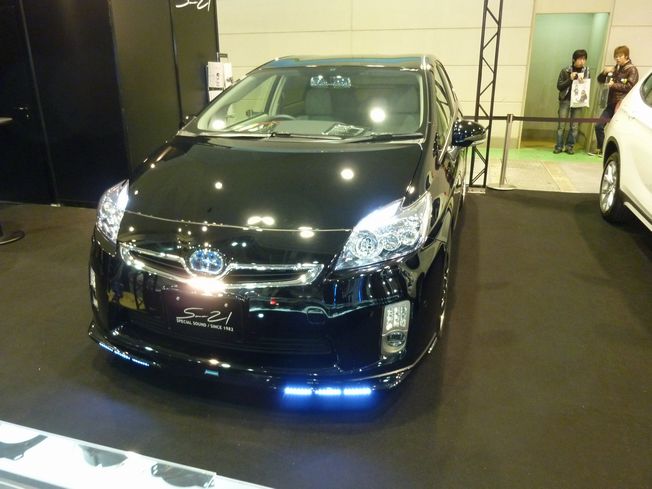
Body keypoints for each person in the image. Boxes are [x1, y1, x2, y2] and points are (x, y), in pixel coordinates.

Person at [591, 45, 639, 156]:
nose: (617, 58)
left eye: (620, 56)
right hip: (611, 103)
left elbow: (631, 87)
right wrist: (604, 72)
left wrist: (614, 85)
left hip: (622, 105)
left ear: (626, 56)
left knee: (618, 131)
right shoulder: (616, 69)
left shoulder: (632, 69)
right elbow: (600, 80)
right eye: (616, 56)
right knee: (599, 126)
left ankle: (616, 153)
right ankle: (601, 149)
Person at [554, 49, 590, 154]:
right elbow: (559, 86)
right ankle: (559, 146)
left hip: (578, 101)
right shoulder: (565, 70)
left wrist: (583, 81)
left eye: (584, 59)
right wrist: (570, 79)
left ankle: (569, 147)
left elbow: (587, 86)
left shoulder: (586, 71)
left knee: (574, 126)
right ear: (574, 59)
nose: (582, 61)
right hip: (565, 100)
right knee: (561, 125)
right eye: (580, 59)